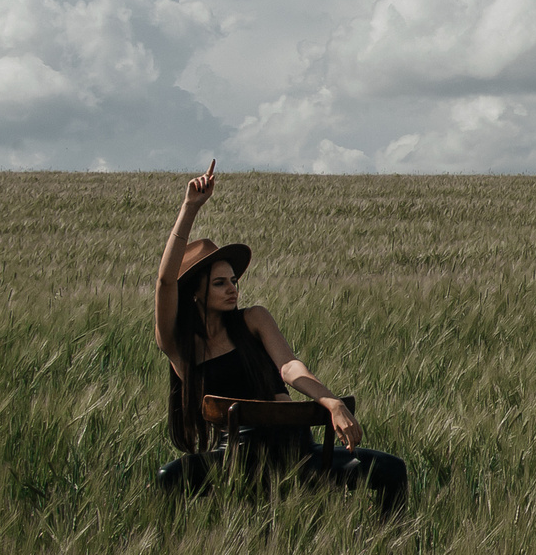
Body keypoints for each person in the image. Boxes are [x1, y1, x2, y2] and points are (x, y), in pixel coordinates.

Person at [153, 160, 407, 513]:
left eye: (234, 282)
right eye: (220, 283)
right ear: (195, 293)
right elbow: (165, 283)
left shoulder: (254, 319)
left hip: (296, 449)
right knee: (170, 476)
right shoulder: (182, 348)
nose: (233, 289)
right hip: (237, 459)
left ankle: (387, 549)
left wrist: (331, 402)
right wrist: (190, 207)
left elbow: (289, 367)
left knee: (391, 470)